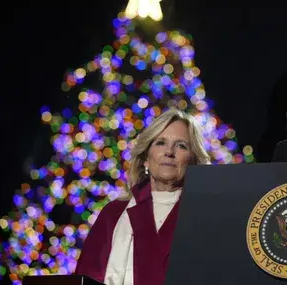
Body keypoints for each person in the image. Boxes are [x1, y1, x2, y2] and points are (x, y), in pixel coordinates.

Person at [75, 108, 210, 285]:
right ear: (146, 157)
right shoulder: (113, 214)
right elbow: (85, 278)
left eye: (181, 145)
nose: (169, 152)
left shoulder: (205, 215)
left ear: (193, 160)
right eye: (160, 143)